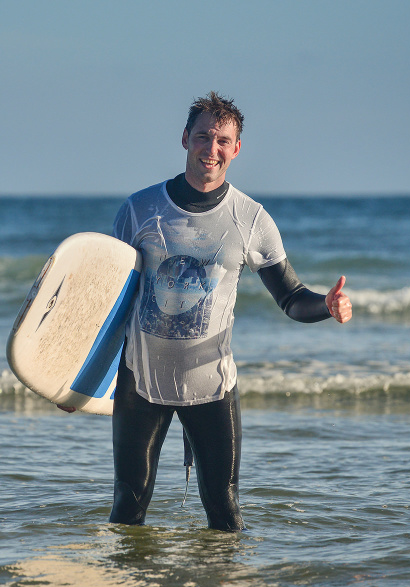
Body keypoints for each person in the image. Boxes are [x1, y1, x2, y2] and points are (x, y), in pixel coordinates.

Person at [64, 92, 352, 531]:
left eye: (222, 140)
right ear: (184, 139)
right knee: (127, 508)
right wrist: (78, 383)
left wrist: (327, 307)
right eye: (203, 137)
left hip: (213, 387)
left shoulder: (251, 219)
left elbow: (292, 299)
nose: (211, 149)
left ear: (236, 149)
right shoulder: (139, 210)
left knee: (224, 511)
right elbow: (111, 304)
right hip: (141, 386)